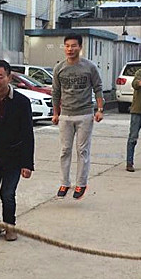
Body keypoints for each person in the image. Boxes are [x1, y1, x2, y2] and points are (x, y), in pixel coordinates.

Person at [0, 60, 34, 242]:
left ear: (9, 77)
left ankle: (9, 226)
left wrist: (27, 164)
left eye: (0, 77)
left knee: (7, 194)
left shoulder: (22, 102)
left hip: (13, 157)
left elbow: (27, 133)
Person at [51, 34, 104, 200]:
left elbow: (98, 88)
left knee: (82, 150)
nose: (70, 49)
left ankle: (81, 183)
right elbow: (56, 92)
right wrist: (55, 113)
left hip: (85, 114)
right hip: (65, 115)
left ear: (80, 47)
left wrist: (100, 109)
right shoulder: (59, 68)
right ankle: (64, 183)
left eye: (74, 46)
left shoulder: (89, 67)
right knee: (65, 150)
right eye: (67, 46)